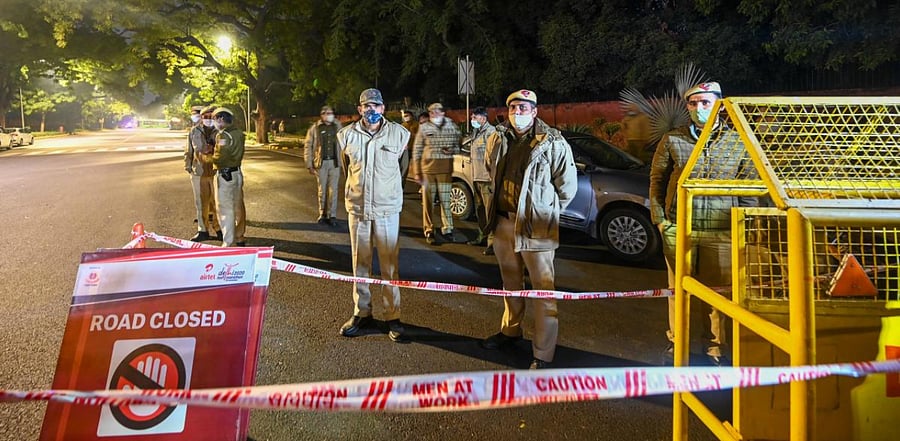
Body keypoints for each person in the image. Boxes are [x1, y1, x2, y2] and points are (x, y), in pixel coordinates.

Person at [649, 81, 757, 366]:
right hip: (679, 228)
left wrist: (744, 225)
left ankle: (716, 348)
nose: (699, 108)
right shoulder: (673, 139)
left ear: (719, 105)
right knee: (677, 291)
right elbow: (657, 180)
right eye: (693, 103)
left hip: (721, 230)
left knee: (718, 294)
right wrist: (660, 220)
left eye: (705, 102)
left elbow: (750, 187)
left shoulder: (738, 140)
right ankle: (678, 343)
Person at [479, 89, 578, 370]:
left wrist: (544, 211)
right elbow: (491, 170)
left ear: (535, 112)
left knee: (543, 290)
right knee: (511, 284)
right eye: (513, 108)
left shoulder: (553, 142)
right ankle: (510, 331)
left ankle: (543, 353)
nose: (517, 113)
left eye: (523, 108)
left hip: (537, 226)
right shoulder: (498, 138)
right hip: (504, 223)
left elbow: (567, 188)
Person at [336, 88, 410, 343]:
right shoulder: (346, 135)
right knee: (360, 263)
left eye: (376, 106)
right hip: (358, 209)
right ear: (359, 109)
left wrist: (387, 192)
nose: (371, 110)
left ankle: (393, 316)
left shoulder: (399, 134)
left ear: (383, 108)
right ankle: (362, 312)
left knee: (390, 265)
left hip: (387, 209)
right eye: (366, 106)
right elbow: (347, 169)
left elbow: (403, 169)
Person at [411, 102, 461, 245]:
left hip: (445, 170)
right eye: (431, 112)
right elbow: (417, 150)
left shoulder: (451, 126)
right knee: (428, 203)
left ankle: (448, 229)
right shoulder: (424, 127)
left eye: (437, 111)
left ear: (443, 113)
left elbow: (459, 145)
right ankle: (429, 230)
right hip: (428, 171)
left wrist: (451, 150)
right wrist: (417, 172)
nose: (434, 114)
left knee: (446, 201)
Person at [211, 107, 247, 247]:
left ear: (221, 119)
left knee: (225, 210)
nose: (214, 122)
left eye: (215, 119)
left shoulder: (223, 135)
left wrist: (208, 158)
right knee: (237, 207)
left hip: (225, 175)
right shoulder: (238, 133)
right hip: (236, 173)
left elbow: (221, 156)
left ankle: (228, 243)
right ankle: (239, 236)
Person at [184, 105, 220, 242]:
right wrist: (188, 166)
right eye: (206, 116)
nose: (208, 119)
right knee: (200, 203)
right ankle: (202, 230)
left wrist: (213, 149)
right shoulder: (194, 131)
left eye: (211, 117)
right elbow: (189, 150)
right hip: (198, 171)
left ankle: (219, 229)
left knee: (217, 203)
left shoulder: (220, 131)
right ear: (201, 117)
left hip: (216, 172)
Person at [464, 106, 496, 255]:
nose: (472, 120)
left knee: (490, 213)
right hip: (476, 177)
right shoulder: (476, 132)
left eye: (474, 117)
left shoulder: (491, 133)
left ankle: (492, 243)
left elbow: (494, 156)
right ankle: (482, 236)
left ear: (483, 118)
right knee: (480, 211)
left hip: (487, 179)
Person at [305, 105, 343, 226]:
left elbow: (345, 144)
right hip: (320, 164)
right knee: (322, 190)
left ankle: (332, 215)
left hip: (334, 163)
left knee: (333, 190)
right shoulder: (315, 128)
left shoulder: (338, 126)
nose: (328, 115)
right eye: (326, 113)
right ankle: (322, 214)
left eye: (330, 113)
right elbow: (308, 146)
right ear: (321, 115)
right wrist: (309, 164)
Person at [399, 109, 419, 183]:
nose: (406, 117)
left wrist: (412, 135)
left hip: (414, 149)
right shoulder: (402, 125)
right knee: (404, 167)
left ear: (412, 116)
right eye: (405, 116)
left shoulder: (417, 125)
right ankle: (402, 182)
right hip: (405, 149)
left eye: (407, 116)